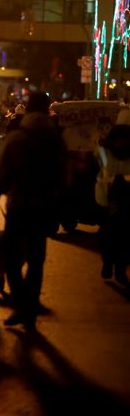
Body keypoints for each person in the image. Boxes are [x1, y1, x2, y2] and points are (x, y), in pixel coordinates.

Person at [0, 91, 69, 329]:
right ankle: (30, 306)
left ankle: (21, 302)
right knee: (37, 259)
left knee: (10, 257)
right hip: (44, 206)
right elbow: (64, 174)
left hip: (19, 205)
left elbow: (2, 172)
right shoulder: (56, 139)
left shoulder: (17, 137)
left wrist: (1, 187)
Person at [96, 107, 130, 285]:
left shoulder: (106, 145)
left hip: (110, 194)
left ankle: (109, 262)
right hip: (124, 194)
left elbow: (102, 163)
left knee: (110, 231)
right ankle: (119, 269)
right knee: (125, 234)